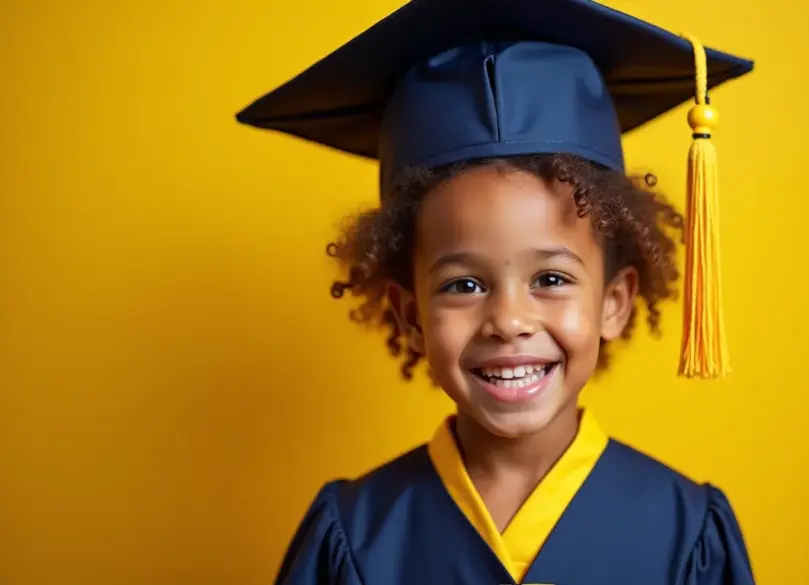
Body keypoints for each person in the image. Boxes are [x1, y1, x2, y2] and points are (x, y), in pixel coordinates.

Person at [236, 0, 755, 583]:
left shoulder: (685, 535)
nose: (508, 320)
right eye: (464, 284)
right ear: (410, 315)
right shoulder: (353, 537)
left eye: (551, 279)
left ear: (614, 302)